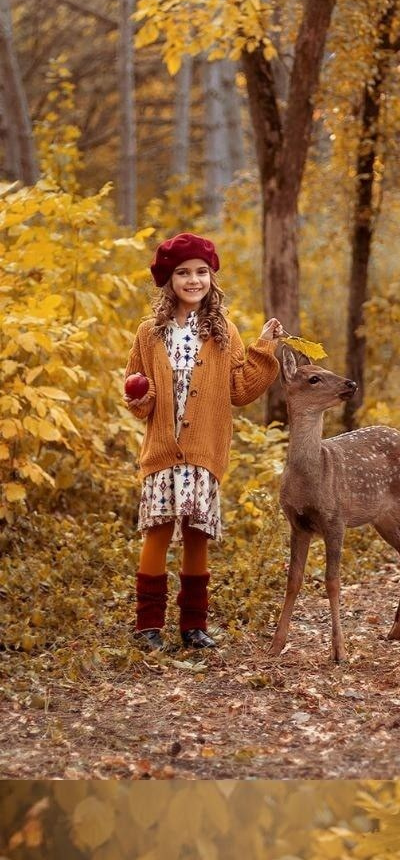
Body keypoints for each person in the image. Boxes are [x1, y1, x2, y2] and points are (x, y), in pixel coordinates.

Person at [123, 232, 283, 651]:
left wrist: (265, 347)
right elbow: (138, 396)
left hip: (202, 452)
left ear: (211, 278)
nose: (193, 280)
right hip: (162, 451)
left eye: (201, 272)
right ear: (168, 280)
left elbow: (240, 389)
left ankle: (193, 627)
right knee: (156, 533)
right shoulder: (148, 334)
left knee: (196, 535)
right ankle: (147, 627)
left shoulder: (221, 332)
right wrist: (140, 396)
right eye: (183, 273)